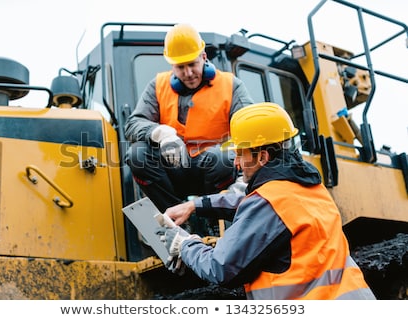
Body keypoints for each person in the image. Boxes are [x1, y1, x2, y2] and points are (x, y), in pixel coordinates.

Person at [158, 102, 376, 300]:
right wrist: (195, 205)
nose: (236, 163)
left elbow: (220, 268)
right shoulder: (308, 188)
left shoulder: (270, 201)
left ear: (262, 157)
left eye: (240, 153)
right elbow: (251, 203)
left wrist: (185, 245)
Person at [124, 23, 254, 222]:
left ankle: (214, 219)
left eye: (192, 64)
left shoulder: (230, 85)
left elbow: (250, 127)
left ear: (203, 57)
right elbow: (133, 124)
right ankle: (176, 221)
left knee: (220, 158)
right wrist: (161, 133)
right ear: (171, 66)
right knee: (137, 155)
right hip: (173, 170)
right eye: (180, 67)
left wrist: (243, 180)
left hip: (214, 171)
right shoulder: (158, 86)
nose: (188, 73)